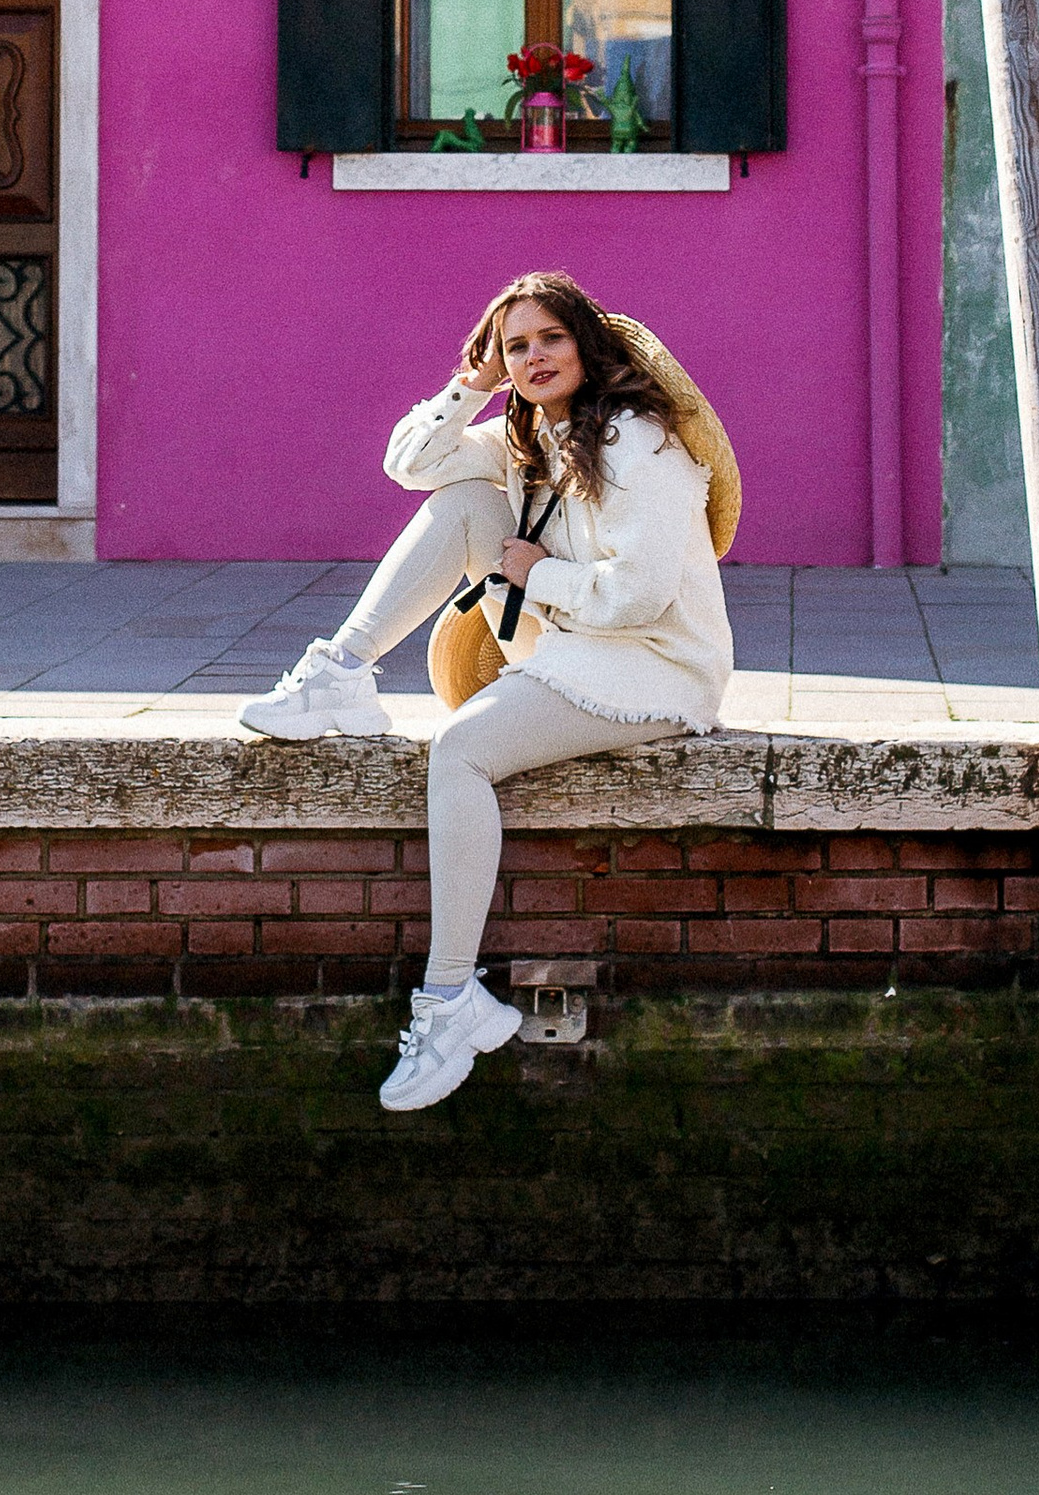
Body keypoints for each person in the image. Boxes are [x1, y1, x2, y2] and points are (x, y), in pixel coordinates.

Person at [237, 268, 733, 1113]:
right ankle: (343, 672)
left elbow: (639, 595)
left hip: (652, 665)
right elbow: (409, 464)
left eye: (550, 338)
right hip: (573, 645)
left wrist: (539, 579)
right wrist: (467, 386)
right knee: (465, 498)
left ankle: (450, 999)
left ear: (588, 343)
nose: (533, 357)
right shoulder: (527, 434)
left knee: (461, 750)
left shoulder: (638, 440)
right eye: (515, 346)